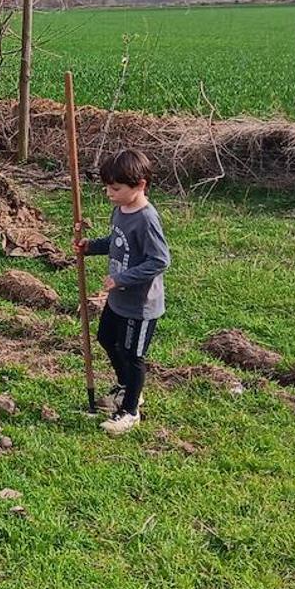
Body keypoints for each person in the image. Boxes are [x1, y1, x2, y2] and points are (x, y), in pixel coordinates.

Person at [75, 148, 171, 435]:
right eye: (107, 187)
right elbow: (118, 243)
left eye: (115, 188)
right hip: (118, 300)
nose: (109, 193)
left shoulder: (147, 220)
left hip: (140, 305)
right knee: (106, 338)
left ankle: (130, 410)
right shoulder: (121, 210)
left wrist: (123, 278)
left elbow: (159, 260)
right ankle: (126, 385)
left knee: (132, 355)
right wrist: (91, 246)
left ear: (140, 185)